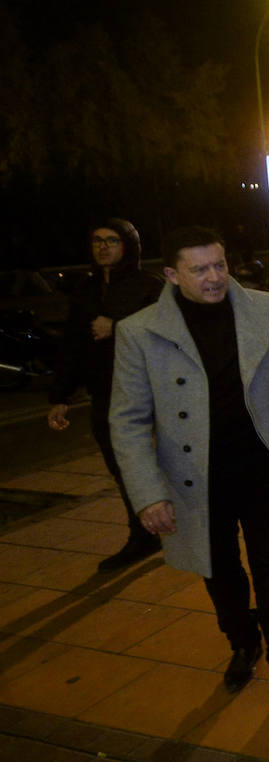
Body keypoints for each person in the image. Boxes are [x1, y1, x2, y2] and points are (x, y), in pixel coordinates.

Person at [110, 226, 269, 704]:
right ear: (172, 274)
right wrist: (148, 493)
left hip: (260, 464)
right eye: (200, 269)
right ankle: (242, 640)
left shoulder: (262, 308)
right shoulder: (139, 332)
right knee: (220, 571)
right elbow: (126, 421)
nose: (214, 277)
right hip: (196, 477)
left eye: (220, 265)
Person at [48, 220, 165, 571]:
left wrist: (117, 327)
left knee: (163, 464)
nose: (103, 247)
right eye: (97, 240)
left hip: (148, 395)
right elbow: (72, 347)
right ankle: (143, 535)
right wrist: (61, 396)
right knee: (122, 469)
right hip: (105, 395)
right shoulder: (85, 291)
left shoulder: (150, 287)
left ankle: (185, 526)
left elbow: (169, 334)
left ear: (128, 245)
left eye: (112, 241)